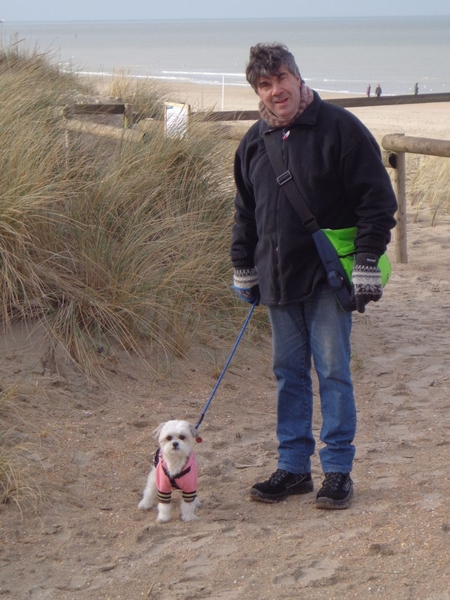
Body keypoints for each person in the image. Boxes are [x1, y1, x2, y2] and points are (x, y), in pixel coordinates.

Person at [231, 43, 397, 509]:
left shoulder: (340, 128)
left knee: (333, 372)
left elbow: (378, 203)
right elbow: (245, 213)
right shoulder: (252, 143)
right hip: (277, 277)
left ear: (298, 78)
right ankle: (294, 468)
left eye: (282, 79)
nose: (275, 91)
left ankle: (338, 471)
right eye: (265, 85)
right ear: (257, 91)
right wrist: (244, 266)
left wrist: (367, 261)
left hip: (329, 278)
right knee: (288, 374)